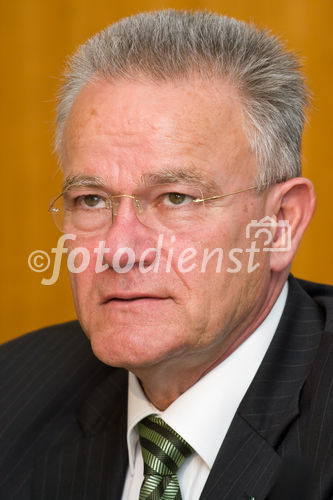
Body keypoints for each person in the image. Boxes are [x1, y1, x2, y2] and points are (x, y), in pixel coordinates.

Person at [1, 9, 332, 500]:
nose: (119, 250)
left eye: (177, 198)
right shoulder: (13, 390)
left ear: (280, 223)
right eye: (91, 200)